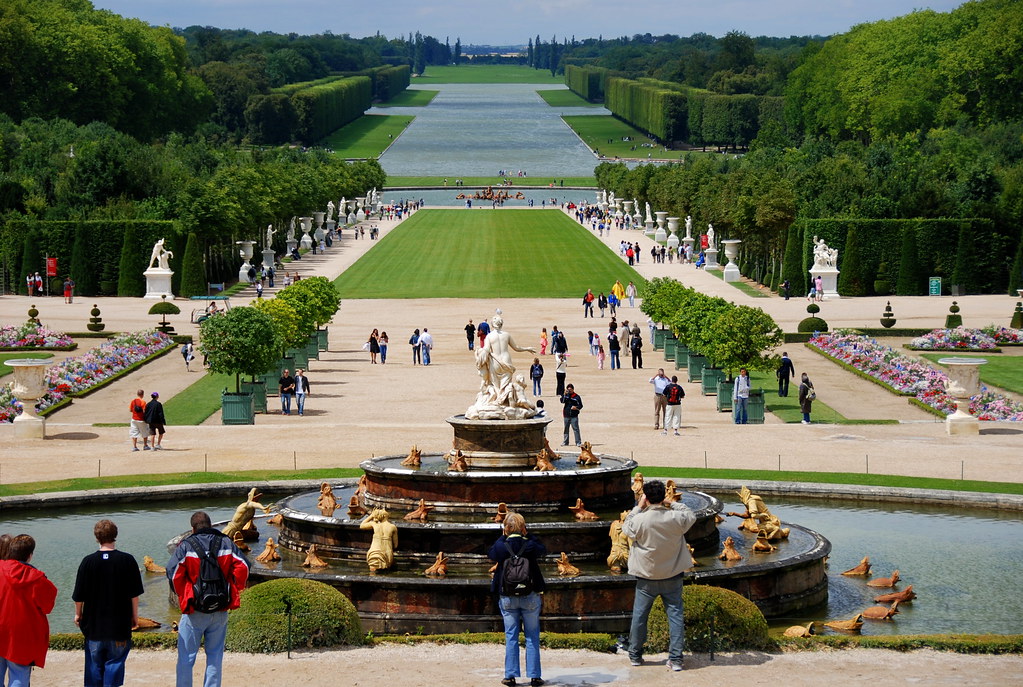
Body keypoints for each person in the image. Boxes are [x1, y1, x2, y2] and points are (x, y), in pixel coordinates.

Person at [166, 511, 249, 687]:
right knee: (215, 656)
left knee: (186, 658)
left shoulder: (186, 546)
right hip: (220, 609)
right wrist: (234, 586)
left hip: (194, 610)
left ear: (193, 529)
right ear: (210, 526)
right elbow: (244, 567)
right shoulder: (226, 542)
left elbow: (173, 574)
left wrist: (185, 594)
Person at [622, 480, 696, 671]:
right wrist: (672, 503)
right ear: (663, 497)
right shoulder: (675, 517)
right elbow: (690, 515)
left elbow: (626, 526)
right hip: (672, 575)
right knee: (675, 617)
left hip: (646, 577)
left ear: (645, 498)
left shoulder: (640, 519)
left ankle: (635, 656)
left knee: (640, 617)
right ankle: (676, 659)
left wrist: (638, 507)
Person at [72, 519, 144, 687]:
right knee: (115, 663)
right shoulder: (128, 560)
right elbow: (134, 595)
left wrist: (78, 614)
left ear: (97, 537)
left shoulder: (87, 562)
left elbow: (79, 595)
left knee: (94, 667)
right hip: (119, 626)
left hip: (94, 626)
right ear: (115, 535)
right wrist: (135, 616)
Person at [488, 513, 547, 687]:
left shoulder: (502, 546)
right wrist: (529, 535)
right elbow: (543, 550)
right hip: (530, 594)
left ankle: (510, 675)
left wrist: (503, 536)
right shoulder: (529, 545)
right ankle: (535, 676)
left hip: (507, 595)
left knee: (511, 635)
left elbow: (491, 553)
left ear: (506, 528)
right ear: (523, 528)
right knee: (532, 636)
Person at [0, 534, 58, 686]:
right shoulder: (38, 579)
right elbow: (48, 607)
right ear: (30, 555)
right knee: (19, 675)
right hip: (23, 636)